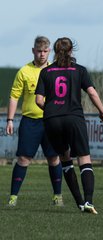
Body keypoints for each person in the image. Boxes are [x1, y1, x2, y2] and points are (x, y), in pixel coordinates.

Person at [35, 37, 103, 214]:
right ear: (71, 52)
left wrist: (52, 109)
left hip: (52, 119)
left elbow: (38, 100)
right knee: (84, 158)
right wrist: (102, 111)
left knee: (65, 158)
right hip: (74, 118)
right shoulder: (79, 70)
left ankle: (80, 203)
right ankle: (89, 201)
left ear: (54, 51)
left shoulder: (46, 72)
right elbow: (91, 92)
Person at [5, 36, 63, 207]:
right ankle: (13, 197)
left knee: (54, 158)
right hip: (30, 121)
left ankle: (57, 196)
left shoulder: (56, 70)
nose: (42, 54)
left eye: (45, 51)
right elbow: (14, 96)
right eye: (39, 51)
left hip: (51, 121)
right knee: (23, 159)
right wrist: (9, 120)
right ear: (33, 50)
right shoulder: (24, 71)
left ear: (49, 51)